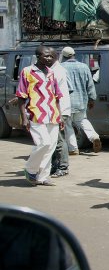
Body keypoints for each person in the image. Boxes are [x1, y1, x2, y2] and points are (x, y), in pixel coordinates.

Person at [18, 46, 63, 187]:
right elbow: (21, 96)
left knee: (51, 147)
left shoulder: (51, 73)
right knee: (44, 143)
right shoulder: (27, 72)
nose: (49, 58)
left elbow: (57, 96)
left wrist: (60, 115)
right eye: (46, 56)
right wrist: (24, 118)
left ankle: (43, 177)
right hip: (35, 113)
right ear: (38, 56)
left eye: (51, 56)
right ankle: (30, 169)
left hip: (53, 114)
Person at [61, 47, 101, 154]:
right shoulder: (84, 67)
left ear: (63, 56)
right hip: (81, 101)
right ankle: (94, 136)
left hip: (66, 103)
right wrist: (92, 99)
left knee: (68, 125)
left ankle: (73, 148)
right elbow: (90, 85)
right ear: (74, 54)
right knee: (82, 121)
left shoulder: (61, 67)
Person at [48, 49, 73, 178]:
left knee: (59, 140)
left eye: (48, 56)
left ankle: (63, 167)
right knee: (53, 139)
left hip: (60, 110)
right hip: (56, 109)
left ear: (54, 57)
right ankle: (55, 165)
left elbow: (52, 92)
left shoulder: (57, 71)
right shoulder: (54, 70)